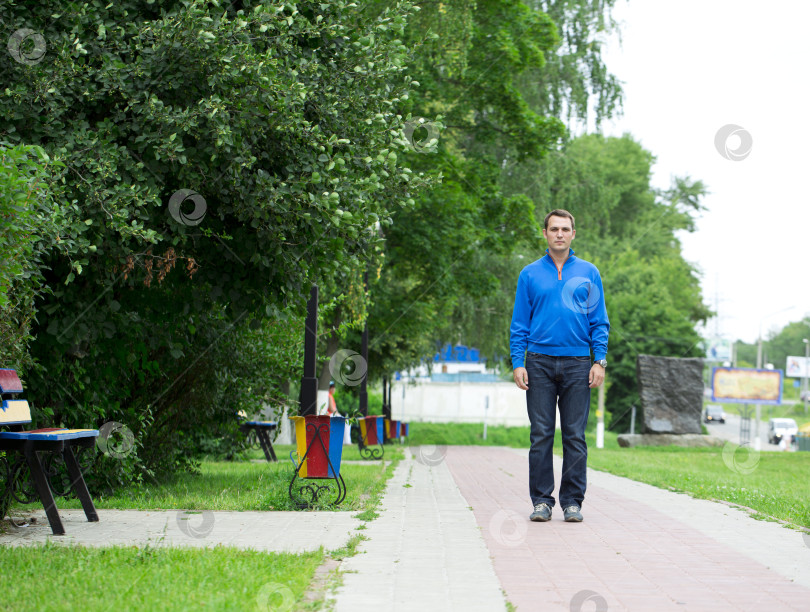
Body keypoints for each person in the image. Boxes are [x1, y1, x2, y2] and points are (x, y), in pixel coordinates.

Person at [510, 209, 609, 523]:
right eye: (554, 229)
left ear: (573, 234)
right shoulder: (529, 274)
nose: (560, 234)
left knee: (574, 435)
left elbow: (600, 322)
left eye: (565, 229)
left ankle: (572, 502)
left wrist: (599, 361)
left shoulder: (589, 273)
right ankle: (541, 501)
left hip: (579, 364)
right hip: (537, 362)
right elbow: (519, 324)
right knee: (540, 434)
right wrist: (517, 362)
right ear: (545, 234)